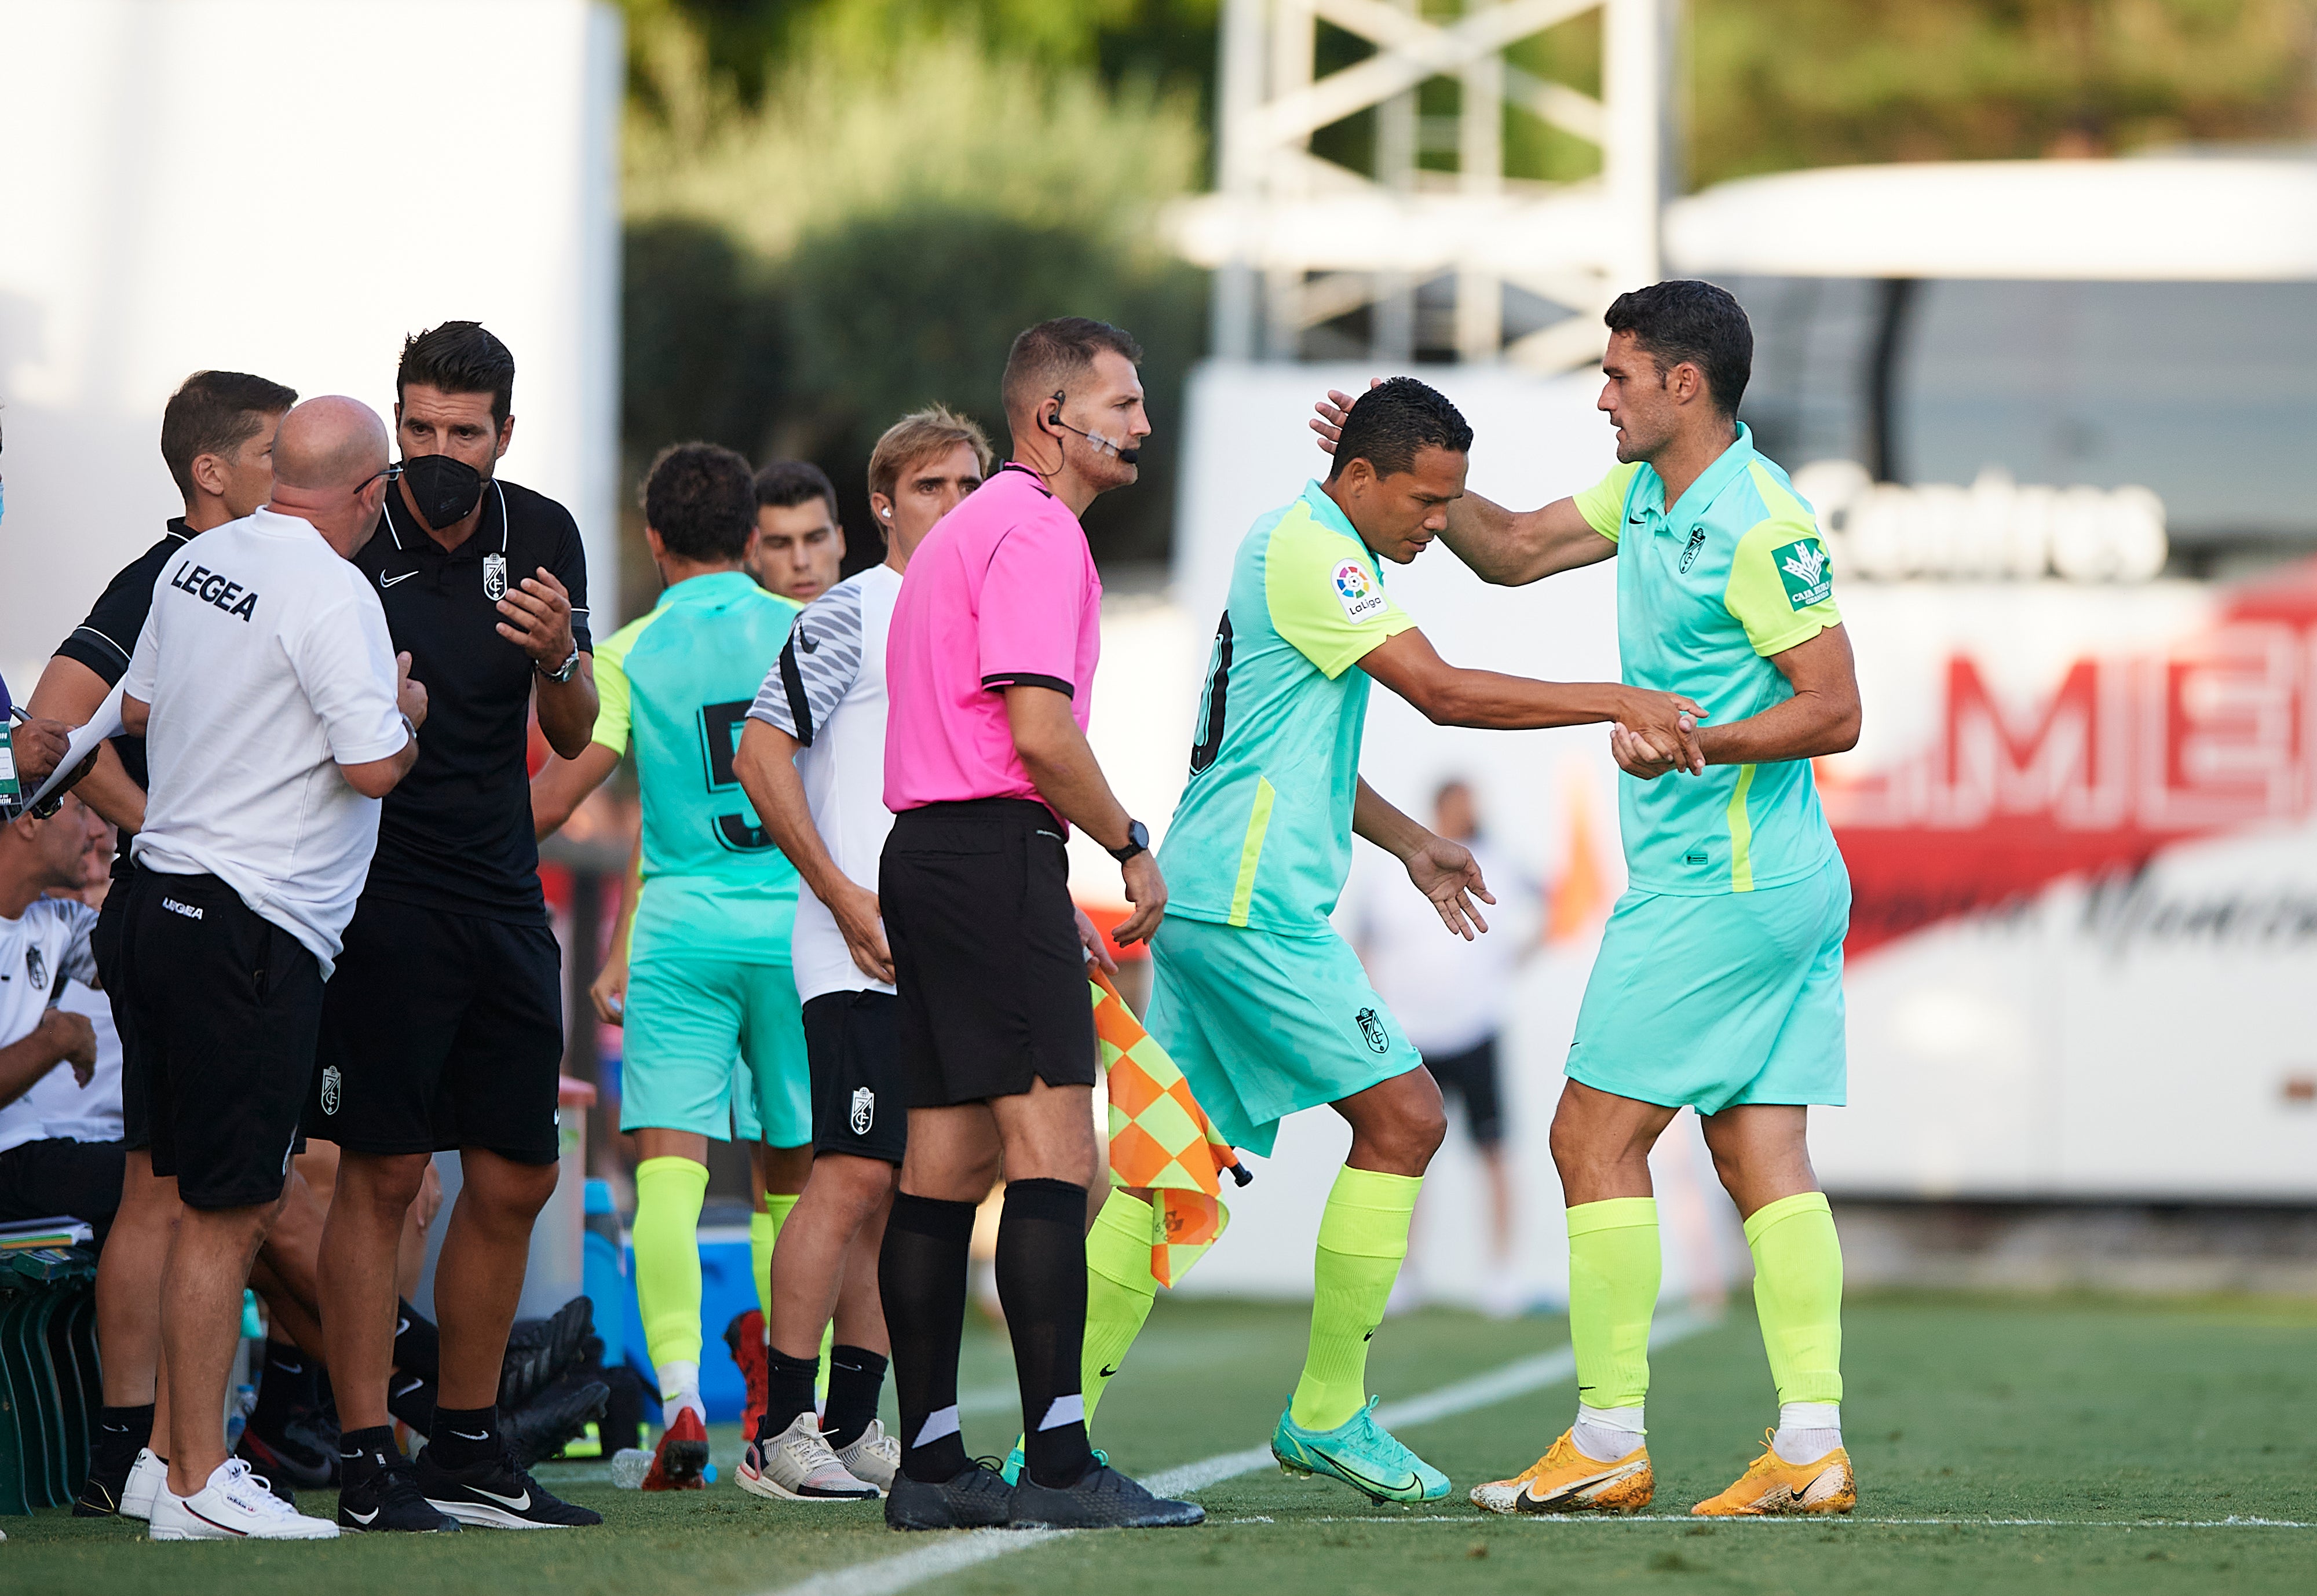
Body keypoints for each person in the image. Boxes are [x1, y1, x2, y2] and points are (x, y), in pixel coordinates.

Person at [1323, 282, 1862, 1518]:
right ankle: (1810, 1445)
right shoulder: (1646, 494)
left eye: (1618, 374)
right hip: (1762, 885)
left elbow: (1834, 708)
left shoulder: (1756, 519)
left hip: (1716, 886)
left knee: (1587, 1141)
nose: (1600, 394)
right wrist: (1405, 480)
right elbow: (1510, 551)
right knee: (1758, 1151)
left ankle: (1608, 1436)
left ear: (1683, 383)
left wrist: (1688, 742)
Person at [1139, 375, 1701, 1507]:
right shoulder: (1317, 553)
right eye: (1424, 501)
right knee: (1404, 1117)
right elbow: (1440, 693)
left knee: (1161, 1176)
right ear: (1356, 479)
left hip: (1210, 899)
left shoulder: (1297, 545)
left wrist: (1406, 841)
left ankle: (1052, 1438)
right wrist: (1609, 696)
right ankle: (1327, 1410)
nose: (1435, 524)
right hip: (1249, 909)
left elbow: (1286, 752)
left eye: (1448, 503)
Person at [875, 317, 1198, 1533]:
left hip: (934, 857)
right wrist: (1125, 842)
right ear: (1051, 417)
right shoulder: (1036, 529)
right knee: (1058, 1156)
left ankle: (929, 1463)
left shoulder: (964, 532)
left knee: (946, 1165)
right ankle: (1057, 1463)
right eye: (1123, 401)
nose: (1140, 424)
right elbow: (1036, 730)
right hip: (987, 854)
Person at [310, 322, 604, 1533]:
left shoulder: (540, 535)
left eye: (462, 433)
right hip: (372, 891)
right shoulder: (339, 535)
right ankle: (367, 1452)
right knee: (379, 1173)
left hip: (498, 892)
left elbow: (580, 732)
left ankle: (471, 1445)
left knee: (519, 1168)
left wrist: (559, 654)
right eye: (417, 428)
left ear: (504, 436)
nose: (435, 455)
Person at [116, 395, 423, 1540]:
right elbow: (373, 766)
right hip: (249, 924)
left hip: (161, 901)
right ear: (368, 491)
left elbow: (139, 703)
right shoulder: (333, 589)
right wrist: (409, 710)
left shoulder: (200, 561)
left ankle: (161, 1460)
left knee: (198, 1199)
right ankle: (199, 1480)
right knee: (229, 1211)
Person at [527, 441, 811, 1490]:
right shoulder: (806, 628)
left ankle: (685, 1395)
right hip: (796, 930)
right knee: (797, 1176)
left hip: (680, 933)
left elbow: (554, 802)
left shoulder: (629, 651)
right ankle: (789, 1407)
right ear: (752, 539)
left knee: (668, 1175)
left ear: (653, 543)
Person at [731, 405, 990, 1501]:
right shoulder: (852, 610)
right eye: (931, 487)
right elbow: (759, 754)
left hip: (942, 952)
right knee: (844, 1176)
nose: (955, 507)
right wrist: (842, 899)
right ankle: (777, 1429)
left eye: (971, 487)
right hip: (857, 950)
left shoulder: (979, 614)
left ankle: (849, 1422)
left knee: (905, 1188)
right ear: (881, 506)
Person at [1345, 778, 1537, 1310]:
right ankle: (1403, 1273)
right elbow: (1361, 937)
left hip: (1477, 1027)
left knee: (1495, 1149)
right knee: (1408, 1150)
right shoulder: (1392, 870)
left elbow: (1552, 900)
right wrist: (1372, 1010)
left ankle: (1503, 1274)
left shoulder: (1497, 860)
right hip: (1411, 1035)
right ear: (1438, 808)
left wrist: (1515, 961)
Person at [0, 794, 114, 1237]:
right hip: (13, 1166)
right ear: (29, 820)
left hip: (29, 1154)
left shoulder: (58, 921)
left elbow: (157, 966)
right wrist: (59, 1038)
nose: (98, 831)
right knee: (180, 1191)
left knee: (249, 1191)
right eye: (83, 808)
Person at [751, 459, 847, 603]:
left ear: (840, 542)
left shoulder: (882, 622)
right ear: (753, 554)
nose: (801, 562)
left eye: (816, 540)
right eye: (780, 545)